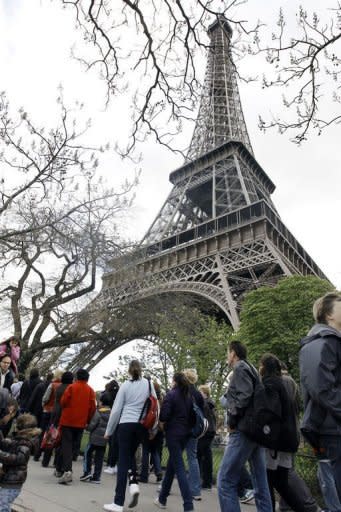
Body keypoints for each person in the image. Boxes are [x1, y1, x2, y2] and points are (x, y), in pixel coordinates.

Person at [218, 340, 272, 512]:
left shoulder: (240, 368)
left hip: (242, 431)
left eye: (228, 352)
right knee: (260, 483)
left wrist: (232, 421)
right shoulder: (252, 369)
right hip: (255, 432)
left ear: (233, 353)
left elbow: (243, 397)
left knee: (225, 480)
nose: (227, 356)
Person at [300, 292, 341, 507]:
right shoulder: (322, 341)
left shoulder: (329, 342)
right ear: (329, 314)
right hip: (332, 430)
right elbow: (322, 388)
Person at [103, 360, 156, 512]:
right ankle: (133, 484)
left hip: (125, 424)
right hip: (141, 426)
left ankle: (118, 502)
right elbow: (154, 406)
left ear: (129, 370)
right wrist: (152, 427)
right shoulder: (148, 384)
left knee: (123, 460)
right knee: (130, 456)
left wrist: (109, 430)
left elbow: (116, 410)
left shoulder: (126, 385)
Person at [259, 353, 305, 512]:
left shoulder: (272, 383)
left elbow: (271, 413)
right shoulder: (290, 384)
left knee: (268, 482)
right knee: (281, 483)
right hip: (289, 436)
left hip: (276, 440)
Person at [154, 372, 194, 512]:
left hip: (173, 434)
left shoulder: (171, 395)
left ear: (174, 381)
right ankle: (162, 499)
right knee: (172, 466)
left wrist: (161, 421)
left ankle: (188, 505)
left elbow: (164, 415)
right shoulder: (188, 396)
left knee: (180, 469)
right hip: (185, 434)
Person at [58, 368, 96, 485]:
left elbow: (63, 402)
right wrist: (87, 420)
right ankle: (63, 468)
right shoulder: (90, 390)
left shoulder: (71, 387)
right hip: (81, 422)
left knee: (66, 445)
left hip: (68, 420)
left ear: (77, 377)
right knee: (74, 445)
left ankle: (67, 469)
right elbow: (92, 408)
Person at [0, 413, 41, 511]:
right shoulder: (21, 441)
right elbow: (7, 444)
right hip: (10, 479)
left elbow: (19, 458)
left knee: (2, 506)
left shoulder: (25, 443)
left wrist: (2, 455)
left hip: (13, 482)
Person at [80, 392, 111, 484]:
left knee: (87, 453)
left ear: (101, 402)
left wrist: (87, 427)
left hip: (94, 438)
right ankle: (97, 477)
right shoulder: (112, 413)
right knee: (99, 458)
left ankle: (87, 472)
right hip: (104, 440)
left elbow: (93, 425)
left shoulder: (98, 412)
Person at [183, 368, 203, 501]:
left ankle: (164, 486)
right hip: (194, 429)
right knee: (193, 458)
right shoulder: (198, 394)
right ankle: (195, 490)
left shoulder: (182, 392)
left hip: (182, 428)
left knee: (176, 456)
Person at [51, 371, 74, 474]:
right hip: (64, 415)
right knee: (63, 442)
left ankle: (54, 462)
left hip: (55, 412)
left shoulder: (59, 387)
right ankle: (59, 465)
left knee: (55, 438)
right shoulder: (70, 388)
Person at [197, 384, 216, 491]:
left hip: (206, 432)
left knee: (201, 455)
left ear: (204, 393)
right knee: (204, 455)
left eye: (200, 392)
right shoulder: (209, 403)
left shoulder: (206, 403)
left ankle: (205, 482)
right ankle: (204, 481)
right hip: (209, 431)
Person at [102, 380, 120, 475]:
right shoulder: (119, 395)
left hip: (110, 418)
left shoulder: (107, 395)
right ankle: (114, 464)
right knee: (116, 444)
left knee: (111, 444)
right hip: (119, 420)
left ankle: (110, 464)